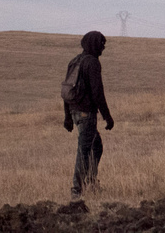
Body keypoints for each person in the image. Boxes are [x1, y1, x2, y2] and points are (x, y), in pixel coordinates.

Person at [61, 30, 114, 200]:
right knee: (84, 151)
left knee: (95, 146)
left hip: (75, 112)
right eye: (101, 44)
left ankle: (90, 183)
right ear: (93, 44)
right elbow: (97, 92)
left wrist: (68, 116)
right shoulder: (92, 63)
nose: (102, 48)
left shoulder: (75, 61)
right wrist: (107, 116)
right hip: (86, 114)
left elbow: (66, 90)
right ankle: (77, 190)